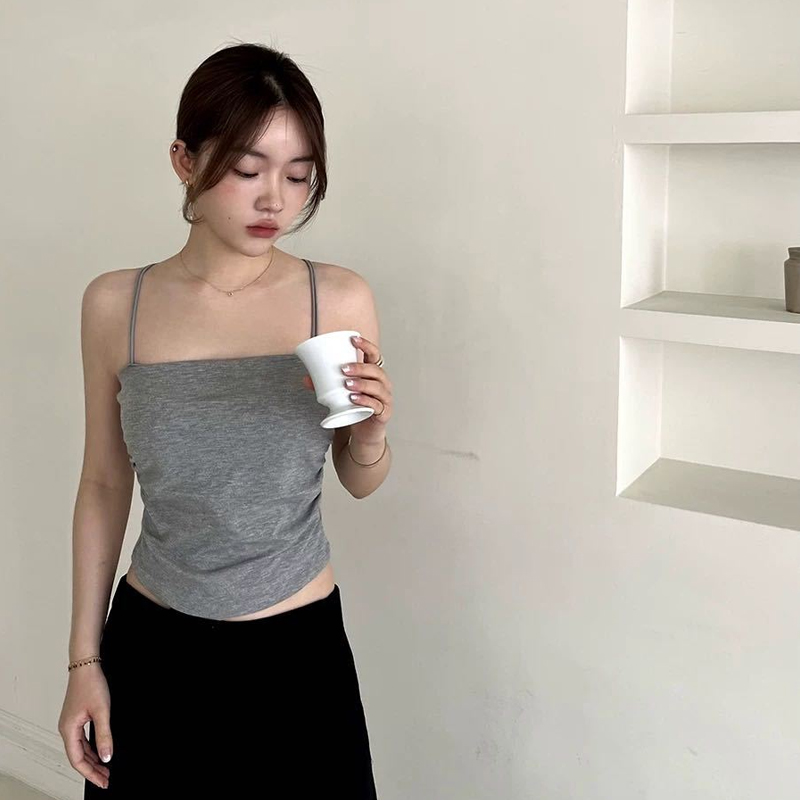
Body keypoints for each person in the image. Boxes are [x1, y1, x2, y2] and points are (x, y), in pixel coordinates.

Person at [57, 41, 393, 797]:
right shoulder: (116, 305)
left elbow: (360, 478)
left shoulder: (337, 299)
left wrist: (370, 436)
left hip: (299, 655)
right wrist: (84, 661)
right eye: (247, 170)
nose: (275, 199)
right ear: (184, 160)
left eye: (298, 175)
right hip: (155, 649)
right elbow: (104, 484)